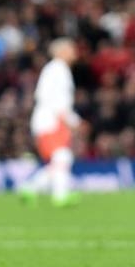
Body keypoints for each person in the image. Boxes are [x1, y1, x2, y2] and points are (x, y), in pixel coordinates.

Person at [18, 38, 82, 207]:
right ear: (61, 52)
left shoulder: (54, 69)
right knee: (62, 156)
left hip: (49, 119)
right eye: (71, 49)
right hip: (52, 120)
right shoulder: (58, 69)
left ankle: (31, 188)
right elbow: (53, 98)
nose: (74, 53)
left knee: (60, 159)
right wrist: (69, 119)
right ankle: (59, 195)